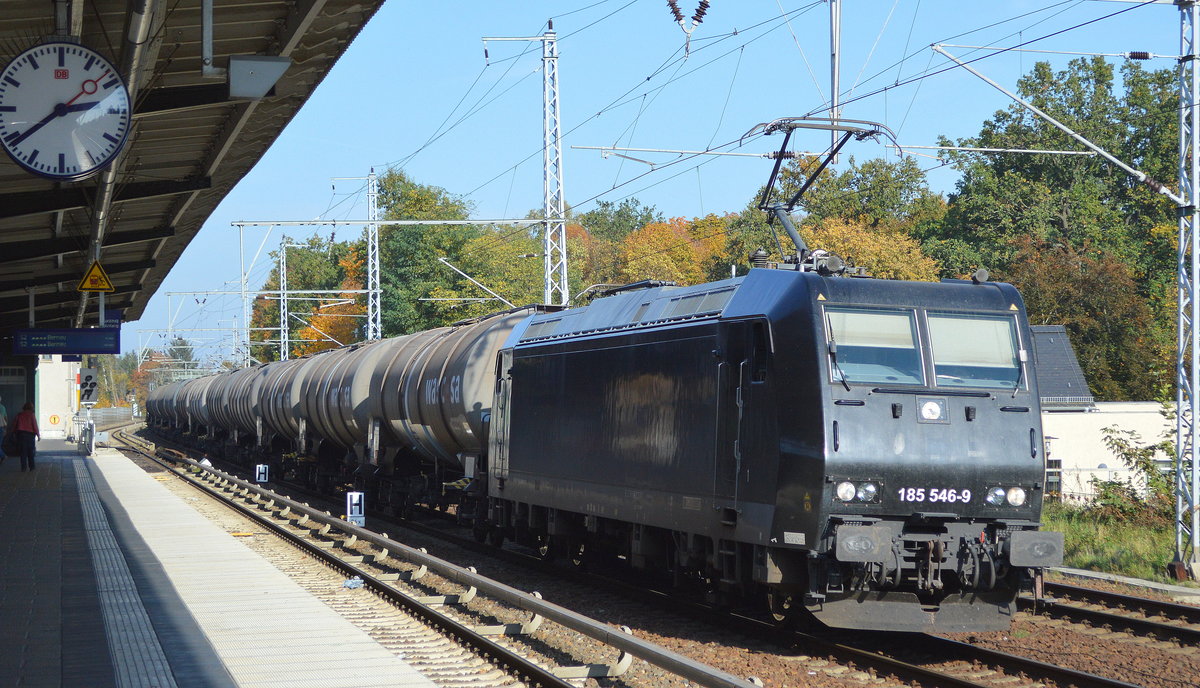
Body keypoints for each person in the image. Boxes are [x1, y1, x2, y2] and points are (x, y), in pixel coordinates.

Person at [13, 402, 39, 472]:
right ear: (31, 408)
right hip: (30, 435)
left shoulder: (20, 415)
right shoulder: (32, 415)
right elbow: (35, 425)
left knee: (23, 452)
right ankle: (32, 467)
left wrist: (14, 433)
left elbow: (15, 424)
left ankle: (23, 468)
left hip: (21, 435)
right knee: (31, 452)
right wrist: (38, 435)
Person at [0, 396, 7, 463]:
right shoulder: (2, 407)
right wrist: (5, 428)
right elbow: (5, 418)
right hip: (1, 427)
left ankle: (3, 455)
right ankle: (2, 456)